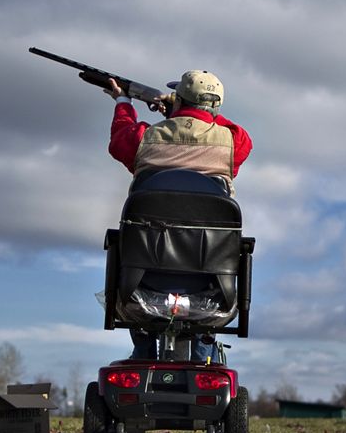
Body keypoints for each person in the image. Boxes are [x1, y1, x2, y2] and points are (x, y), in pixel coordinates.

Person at [103, 70, 252, 362]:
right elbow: (231, 129)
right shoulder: (232, 141)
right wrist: (189, 110)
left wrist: (123, 100)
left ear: (179, 99)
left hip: (142, 279)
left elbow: (120, 138)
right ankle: (204, 355)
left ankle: (143, 351)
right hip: (210, 278)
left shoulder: (145, 137)